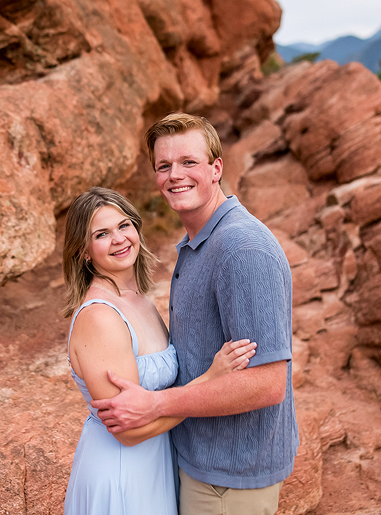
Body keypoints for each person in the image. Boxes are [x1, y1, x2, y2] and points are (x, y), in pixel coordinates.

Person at [92, 113, 298, 515]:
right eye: (164, 166)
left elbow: (268, 383)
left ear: (216, 168)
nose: (175, 175)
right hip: (201, 463)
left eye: (189, 162)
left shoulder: (241, 249)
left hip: (227, 479)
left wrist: (156, 404)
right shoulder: (201, 241)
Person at [62, 187, 257, 515]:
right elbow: (130, 431)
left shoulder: (139, 300)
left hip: (155, 463)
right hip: (123, 471)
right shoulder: (100, 317)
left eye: (124, 226)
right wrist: (211, 380)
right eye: (102, 234)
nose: (119, 239)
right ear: (83, 251)